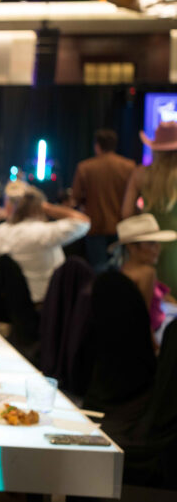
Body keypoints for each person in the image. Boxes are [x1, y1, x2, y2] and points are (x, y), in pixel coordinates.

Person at [0, 182, 90, 304]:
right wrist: (46, 206)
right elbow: (83, 222)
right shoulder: (41, 232)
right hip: (47, 304)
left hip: (11, 304)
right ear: (37, 206)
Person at [123, 121, 177, 291]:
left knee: (153, 296)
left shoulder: (140, 173)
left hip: (149, 246)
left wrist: (144, 217)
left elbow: (126, 213)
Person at [72, 128, 135, 270]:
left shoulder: (85, 167)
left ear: (97, 146)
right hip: (121, 227)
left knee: (98, 270)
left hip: (95, 227)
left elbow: (75, 197)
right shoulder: (129, 166)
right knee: (121, 269)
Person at [114, 213, 177, 340]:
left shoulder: (123, 271)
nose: (158, 247)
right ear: (132, 247)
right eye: (151, 243)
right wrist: (154, 346)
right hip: (157, 332)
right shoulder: (147, 273)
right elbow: (144, 316)